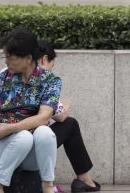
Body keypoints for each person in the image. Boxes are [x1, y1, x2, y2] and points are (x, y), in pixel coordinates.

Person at [0, 28, 62, 193]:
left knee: (45, 132)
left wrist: (11, 128)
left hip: (32, 155)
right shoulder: (1, 79)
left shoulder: (50, 81)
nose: (6, 62)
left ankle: (47, 187)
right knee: (23, 136)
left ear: (28, 58)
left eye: (11, 58)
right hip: (0, 148)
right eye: (5, 57)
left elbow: (44, 117)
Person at [37, 40, 102, 192]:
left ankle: (83, 178)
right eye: (51, 65)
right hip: (34, 142)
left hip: (8, 139)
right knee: (70, 123)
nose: (50, 70)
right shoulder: (46, 79)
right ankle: (83, 178)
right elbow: (61, 116)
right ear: (44, 59)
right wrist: (65, 106)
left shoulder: (7, 74)